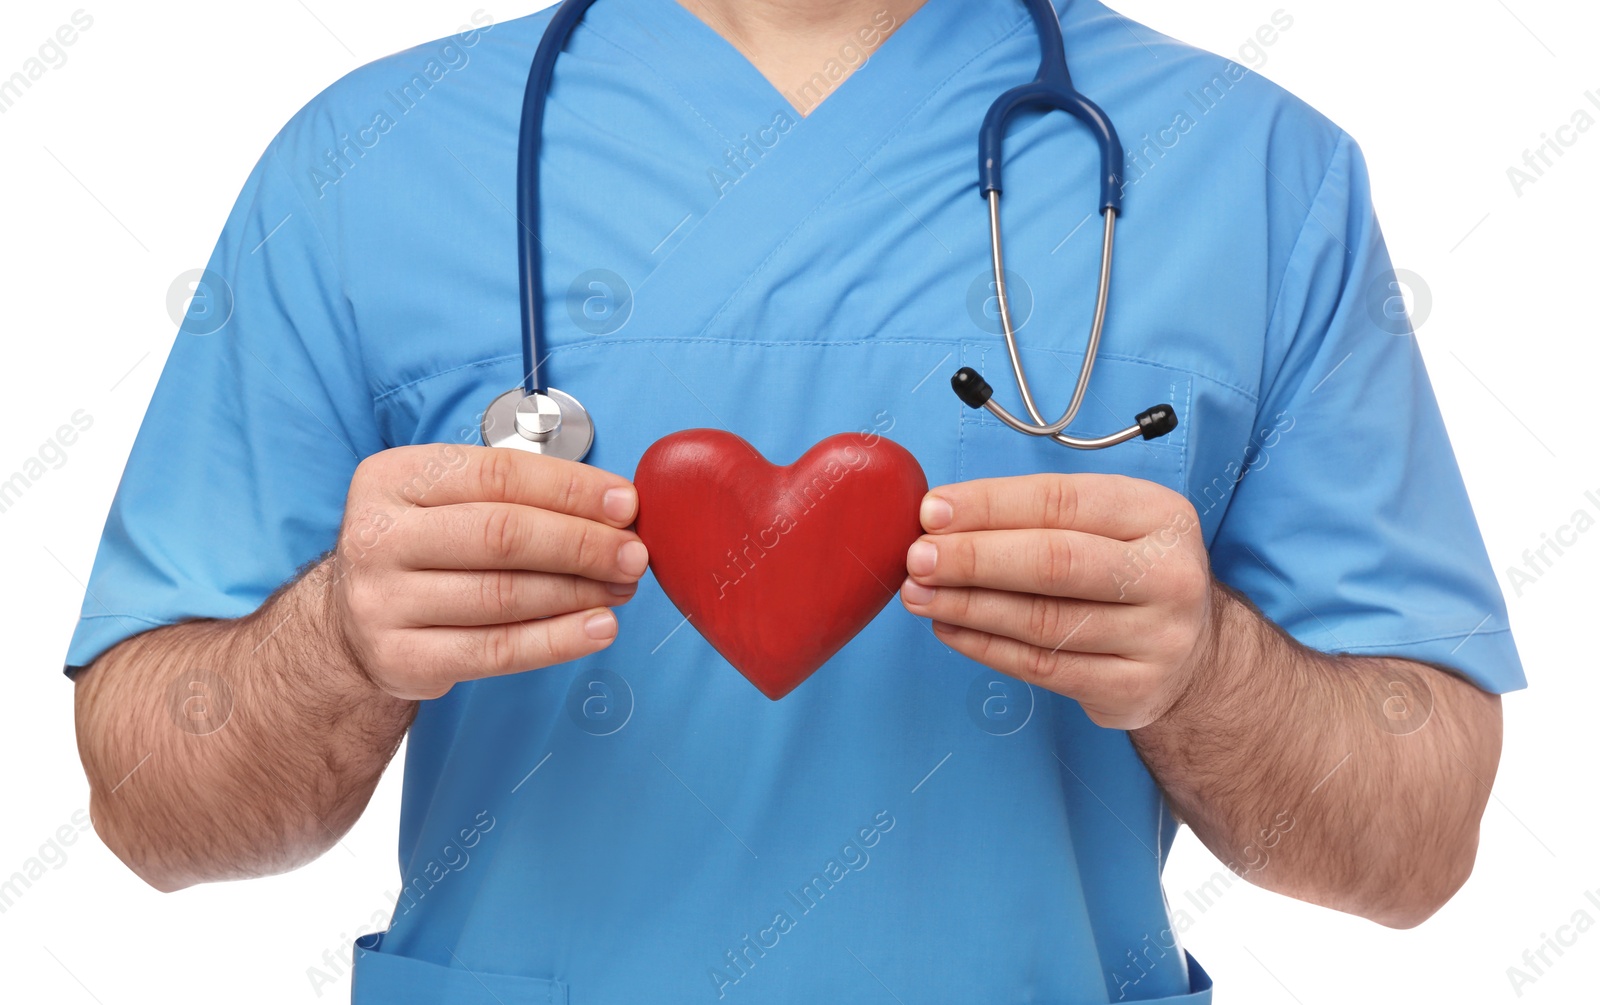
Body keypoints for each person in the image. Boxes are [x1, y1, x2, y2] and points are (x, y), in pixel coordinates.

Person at [65, 0, 1524, 1001]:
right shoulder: (365, 165)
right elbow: (150, 806)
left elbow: (1416, 839)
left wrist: (1206, 666)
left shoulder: (1258, 174)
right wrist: (335, 643)